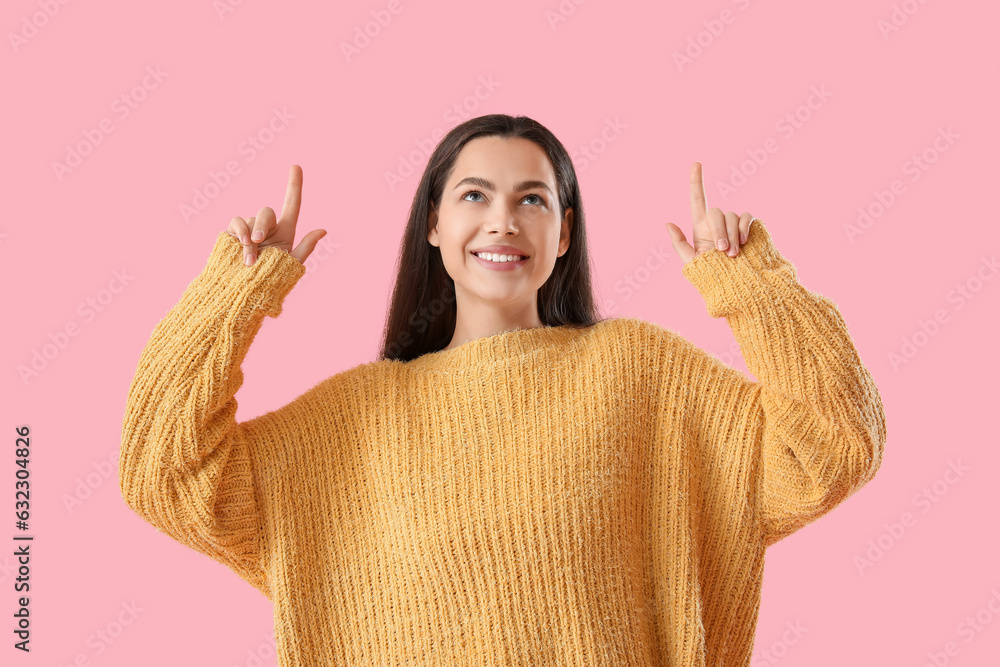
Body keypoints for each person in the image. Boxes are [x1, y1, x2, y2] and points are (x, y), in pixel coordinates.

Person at [119, 114, 886, 666]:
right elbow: (162, 470)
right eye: (475, 196)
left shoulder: (642, 374)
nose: (503, 222)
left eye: (532, 199)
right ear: (432, 224)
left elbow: (833, 444)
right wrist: (236, 292)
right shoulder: (348, 421)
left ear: (563, 231)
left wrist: (752, 283)